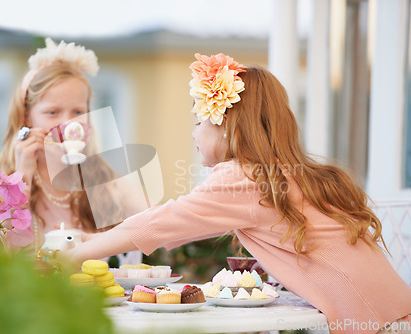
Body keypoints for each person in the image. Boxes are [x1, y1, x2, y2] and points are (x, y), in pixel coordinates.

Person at [61, 53, 411, 334]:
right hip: (391, 313)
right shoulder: (279, 171)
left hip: (373, 323)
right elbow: (179, 222)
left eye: (199, 121)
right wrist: (92, 238)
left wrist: (77, 254)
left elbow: (165, 221)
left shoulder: (243, 176)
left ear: (225, 124)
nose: (194, 133)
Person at [0, 38, 145, 259]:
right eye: (53, 112)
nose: (67, 124)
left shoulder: (103, 179)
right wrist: (22, 175)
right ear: (26, 116)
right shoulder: (7, 185)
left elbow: (156, 222)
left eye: (77, 112)